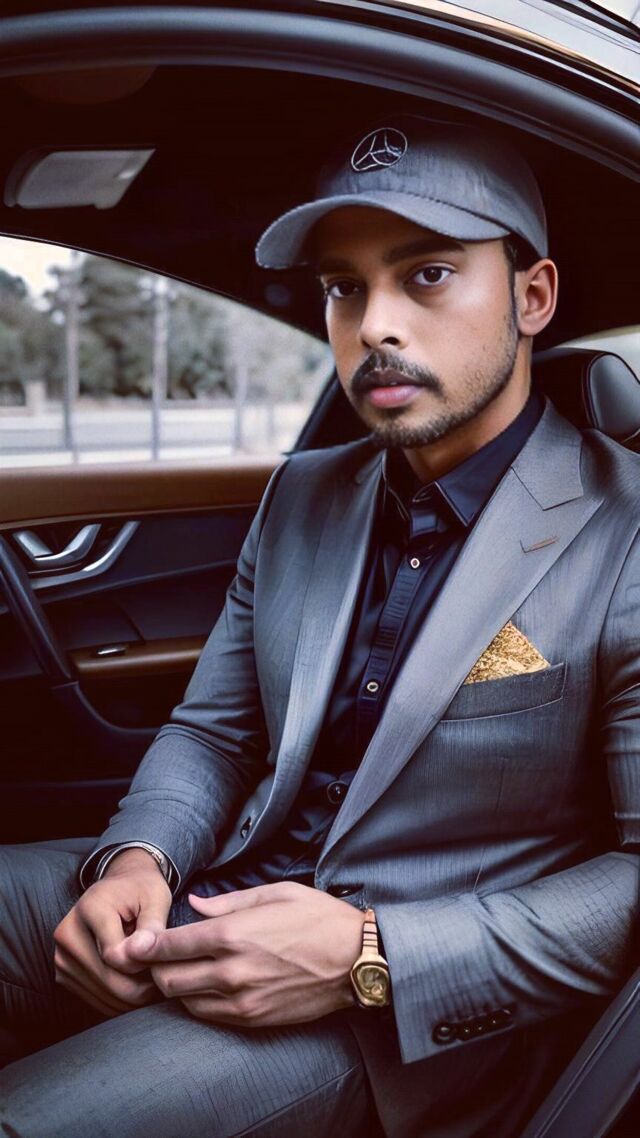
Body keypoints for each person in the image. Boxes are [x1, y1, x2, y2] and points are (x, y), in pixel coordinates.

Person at [0, 114, 638, 1138]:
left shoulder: (626, 530)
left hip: (395, 1022)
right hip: (215, 887)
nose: (375, 323)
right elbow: (215, 731)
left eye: (427, 274)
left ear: (533, 296)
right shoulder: (305, 494)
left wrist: (367, 956)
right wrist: (139, 859)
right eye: (344, 287)